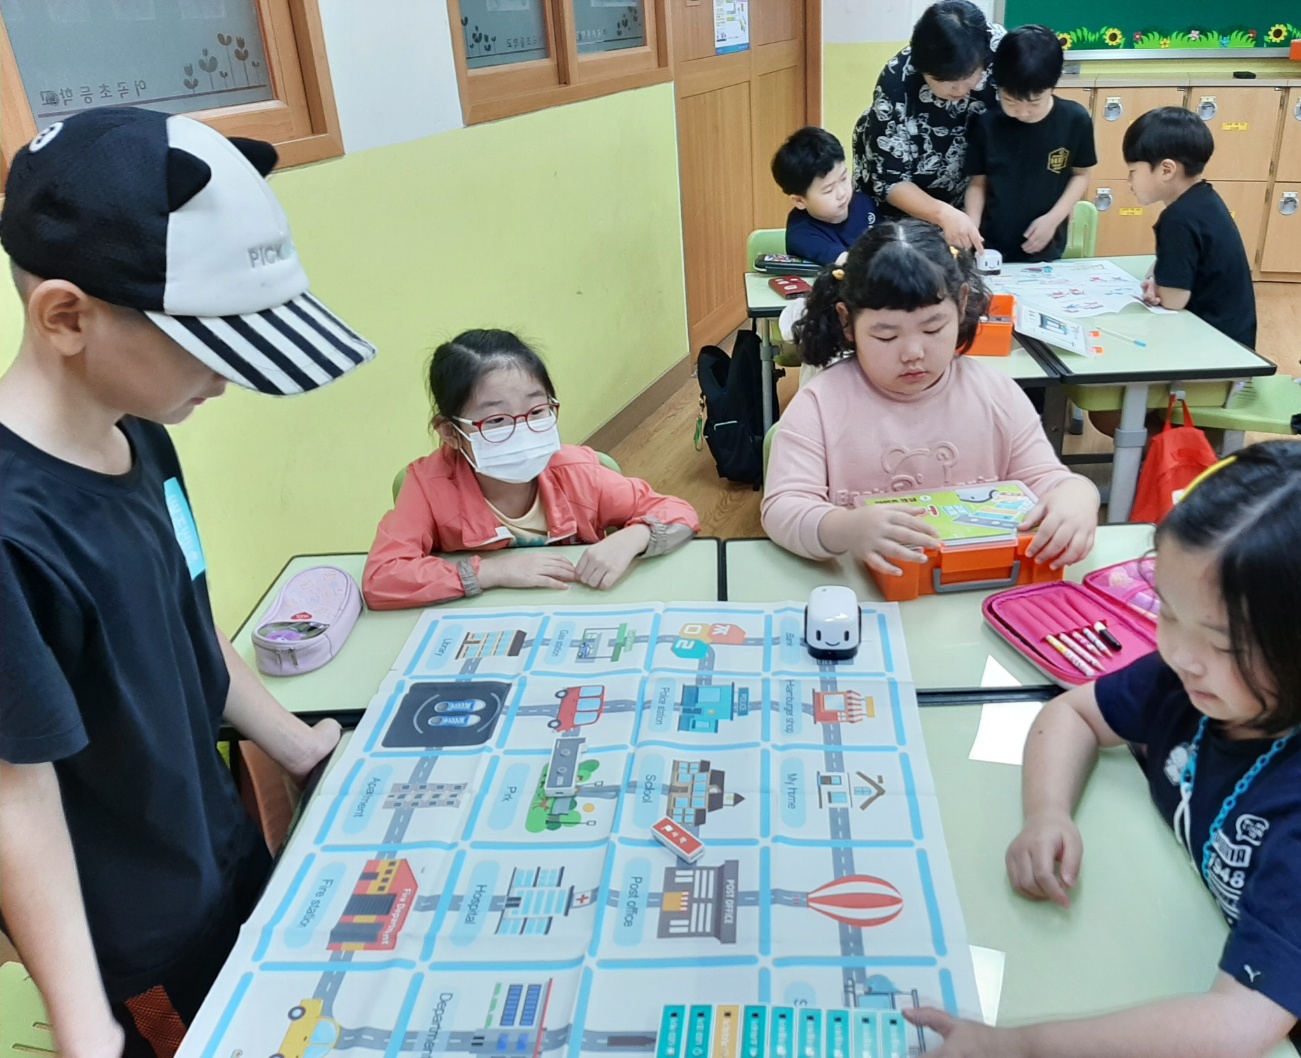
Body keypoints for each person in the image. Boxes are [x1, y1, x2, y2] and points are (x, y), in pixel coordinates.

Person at [0, 108, 374, 1057]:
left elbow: (187, 627)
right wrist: (83, 1021)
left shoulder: (139, 433)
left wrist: (298, 746)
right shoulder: (11, 530)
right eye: (211, 348)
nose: (229, 379)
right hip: (139, 935)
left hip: (219, 847)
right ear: (67, 317)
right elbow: (14, 789)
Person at [906, 442, 1301, 1058]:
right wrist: (1047, 813)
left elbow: (1241, 1025)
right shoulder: (1205, 678)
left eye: (1225, 645)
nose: (1179, 655)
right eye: (1170, 613)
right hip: (1195, 930)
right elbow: (1075, 713)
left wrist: (1019, 1047)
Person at [760, 219, 1099, 575]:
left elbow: (1045, 478)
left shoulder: (996, 395)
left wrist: (1078, 494)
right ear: (847, 322)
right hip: (865, 589)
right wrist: (845, 528)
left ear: (962, 303)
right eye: (886, 336)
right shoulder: (820, 405)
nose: (913, 353)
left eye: (933, 328)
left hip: (976, 583)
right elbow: (783, 508)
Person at [362, 329, 699, 609]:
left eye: (537, 411)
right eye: (496, 420)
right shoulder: (427, 485)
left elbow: (679, 513)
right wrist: (492, 572)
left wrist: (635, 537)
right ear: (451, 432)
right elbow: (382, 578)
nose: (522, 430)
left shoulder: (577, 471)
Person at [852, 0, 1005, 251]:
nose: (959, 89)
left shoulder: (1000, 49)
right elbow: (891, 181)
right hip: (907, 201)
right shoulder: (896, 83)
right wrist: (943, 214)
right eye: (945, 81)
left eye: (969, 76)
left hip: (971, 190)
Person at [1126, 106, 1257, 349]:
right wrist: (1157, 279)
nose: (1129, 181)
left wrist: (1157, 287)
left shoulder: (1177, 218)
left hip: (1216, 350)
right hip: (1236, 340)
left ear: (1166, 170)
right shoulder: (1204, 199)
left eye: (1133, 171)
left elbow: (1174, 300)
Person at [963, 25, 1096, 263]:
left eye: (1034, 102)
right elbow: (977, 184)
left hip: (1045, 245)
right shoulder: (987, 124)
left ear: (1053, 86)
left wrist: (1054, 219)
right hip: (991, 249)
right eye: (1010, 101)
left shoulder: (1075, 120)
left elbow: (1081, 175)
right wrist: (972, 226)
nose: (1022, 112)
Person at [771, 126, 877, 267]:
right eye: (828, 190)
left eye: (843, 178)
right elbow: (848, 263)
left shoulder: (864, 202)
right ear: (799, 201)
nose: (842, 193)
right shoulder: (802, 235)